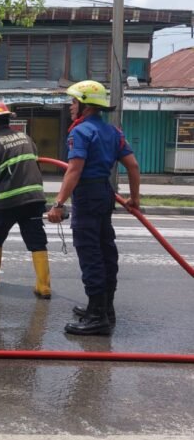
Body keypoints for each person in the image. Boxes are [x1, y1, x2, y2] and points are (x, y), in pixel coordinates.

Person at [47, 80, 141, 336]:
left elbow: (74, 170)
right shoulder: (113, 131)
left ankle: (97, 318)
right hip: (105, 194)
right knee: (105, 251)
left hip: (87, 196)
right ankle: (103, 309)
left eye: (74, 101)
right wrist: (134, 199)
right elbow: (132, 165)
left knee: (91, 256)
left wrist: (58, 204)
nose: (70, 106)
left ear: (85, 105)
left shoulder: (80, 132)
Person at [0, 101, 51, 299]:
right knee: (36, 238)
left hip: (10, 200)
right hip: (35, 198)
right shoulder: (26, 138)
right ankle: (43, 285)